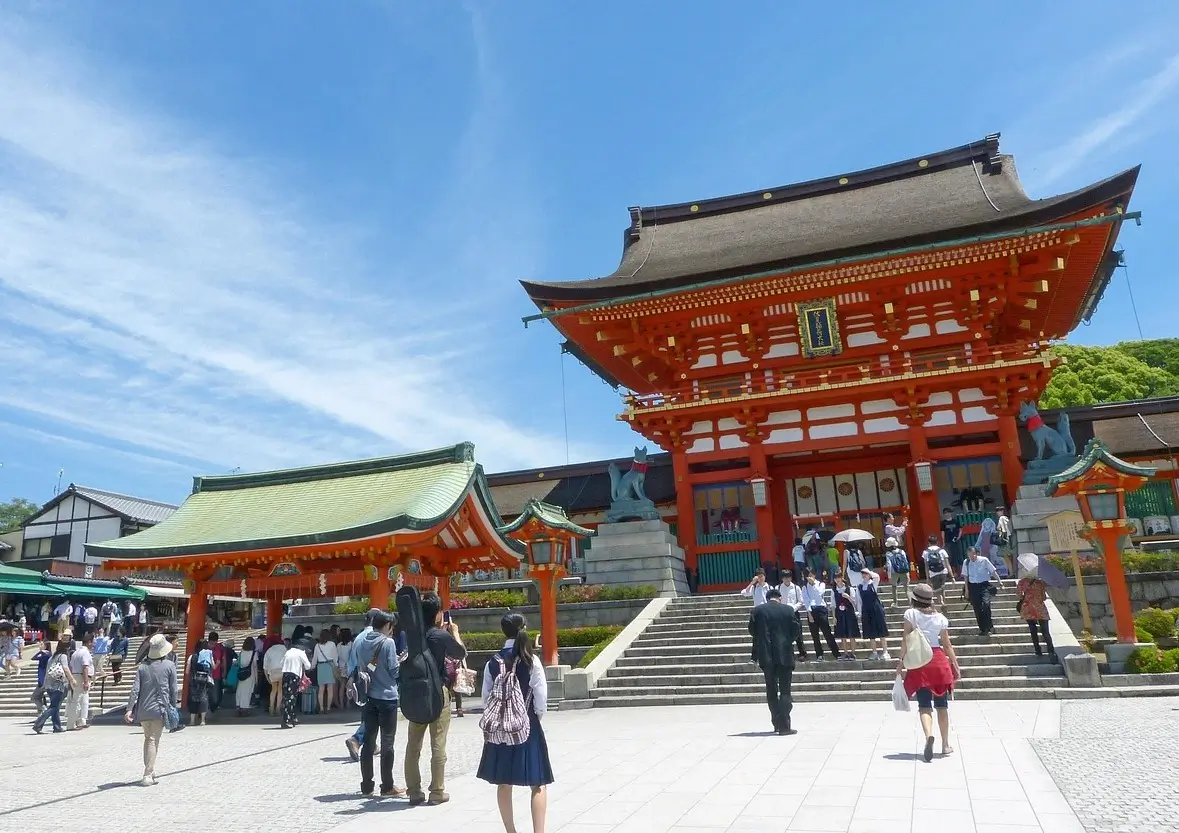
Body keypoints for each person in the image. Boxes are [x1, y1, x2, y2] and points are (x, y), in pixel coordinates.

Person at [477, 612, 553, 833]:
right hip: (527, 723)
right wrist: (535, 716)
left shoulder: (493, 661)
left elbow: (486, 696)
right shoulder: (531, 659)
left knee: (503, 782)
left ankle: (511, 831)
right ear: (524, 628)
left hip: (501, 727)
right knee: (538, 783)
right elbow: (541, 695)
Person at [404, 592, 467, 806]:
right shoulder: (440, 636)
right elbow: (460, 653)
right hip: (438, 692)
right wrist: (455, 632)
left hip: (416, 692)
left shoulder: (412, 636)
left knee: (413, 745)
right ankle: (437, 791)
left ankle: (413, 791)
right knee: (438, 743)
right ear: (438, 614)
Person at [897, 583, 961, 762]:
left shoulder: (910, 614)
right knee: (942, 705)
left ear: (914, 599)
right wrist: (955, 663)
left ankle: (928, 737)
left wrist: (900, 662)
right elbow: (947, 644)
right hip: (939, 660)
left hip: (920, 661)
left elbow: (905, 640)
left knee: (924, 705)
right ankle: (946, 744)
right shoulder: (940, 617)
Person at [354, 610, 405, 796]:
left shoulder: (361, 641)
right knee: (387, 743)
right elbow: (394, 672)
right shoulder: (388, 642)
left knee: (368, 742)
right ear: (387, 626)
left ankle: (367, 785)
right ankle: (387, 786)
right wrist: (401, 662)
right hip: (387, 698)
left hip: (368, 697)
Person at [125, 634, 179, 786]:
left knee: (148, 739)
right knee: (153, 740)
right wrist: (173, 706)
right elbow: (173, 690)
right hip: (159, 708)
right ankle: (147, 774)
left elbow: (135, 690)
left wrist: (129, 709)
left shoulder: (142, 667)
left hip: (143, 709)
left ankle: (150, 768)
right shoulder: (169, 666)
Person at [748, 588, 800, 736]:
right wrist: (787, 641)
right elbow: (796, 631)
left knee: (771, 689)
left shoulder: (757, 611)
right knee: (785, 690)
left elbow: (752, 631)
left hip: (766, 655)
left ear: (767, 598)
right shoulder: (788, 610)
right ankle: (785, 725)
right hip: (784, 654)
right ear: (780, 597)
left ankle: (776, 722)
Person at [1016, 555, 1056, 658]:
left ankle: (1038, 651)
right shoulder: (1040, 583)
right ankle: (1051, 651)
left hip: (1028, 609)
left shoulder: (1022, 582)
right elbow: (1043, 597)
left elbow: (1019, 595)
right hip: (1040, 608)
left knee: (1033, 630)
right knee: (1045, 631)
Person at [32, 640, 74, 734]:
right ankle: (38, 725)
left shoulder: (52, 657)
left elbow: (47, 671)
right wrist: (72, 680)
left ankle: (57, 726)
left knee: (55, 706)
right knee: (54, 707)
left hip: (49, 685)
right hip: (58, 685)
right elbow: (66, 669)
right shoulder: (62, 656)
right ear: (66, 648)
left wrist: (45, 685)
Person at [960, 546, 1004, 636]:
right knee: (977, 608)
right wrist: (967, 590)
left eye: (973, 555)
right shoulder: (966, 562)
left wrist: (1000, 582)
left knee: (986, 604)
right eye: (969, 556)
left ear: (977, 553)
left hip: (984, 585)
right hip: (973, 587)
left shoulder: (984, 560)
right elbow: (966, 576)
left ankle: (989, 626)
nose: (971, 557)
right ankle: (983, 629)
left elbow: (993, 571)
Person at [800, 571, 840, 659]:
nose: (810, 577)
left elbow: (819, 594)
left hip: (821, 609)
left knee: (827, 633)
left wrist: (813, 584)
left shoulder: (821, 584)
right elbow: (806, 600)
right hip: (811, 610)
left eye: (811, 575)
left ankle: (836, 653)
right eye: (808, 576)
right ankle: (819, 654)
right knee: (815, 635)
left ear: (814, 575)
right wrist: (809, 613)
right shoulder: (804, 587)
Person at [856, 567, 890, 660]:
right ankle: (874, 652)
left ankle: (885, 651)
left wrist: (869, 572)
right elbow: (859, 601)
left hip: (876, 609)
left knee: (881, 631)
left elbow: (877, 577)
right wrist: (860, 612)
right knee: (871, 633)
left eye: (866, 574)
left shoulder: (873, 583)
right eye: (863, 574)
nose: (864, 575)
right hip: (866, 610)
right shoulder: (859, 586)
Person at [280, 637, 312, 730]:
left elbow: (281, 663)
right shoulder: (301, 653)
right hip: (294, 676)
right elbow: (308, 665)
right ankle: (286, 720)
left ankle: (293, 717)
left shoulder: (288, 652)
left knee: (287, 697)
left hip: (285, 675)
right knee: (292, 698)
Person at [776, 572, 808, 661]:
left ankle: (802, 653)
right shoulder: (778, 588)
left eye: (788, 577)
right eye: (785, 577)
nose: (787, 579)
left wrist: (793, 608)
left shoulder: (796, 587)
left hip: (794, 613)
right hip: (782, 614)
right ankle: (788, 654)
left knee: (798, 634)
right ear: (782, 578)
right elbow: (776, 600)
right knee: (784, 635)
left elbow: (801, 601)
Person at [66, 632, 94, 731]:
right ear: (89, 642)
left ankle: (82, 720)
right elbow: (85, 667)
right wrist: (86, 681)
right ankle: (71, 724)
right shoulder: (85, 653)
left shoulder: (75, 652)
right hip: (81, 677)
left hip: (75, 676)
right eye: (92, 642)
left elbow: (70, 667)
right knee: (77, 701)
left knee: (83, 700)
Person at [831, 573, 860, 661]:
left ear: (842, 578)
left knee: (851, 634)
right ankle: (845, 653)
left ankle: (853, 653)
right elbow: (833, 605)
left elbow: (855, 602)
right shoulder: (833, 590)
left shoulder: (849, 589)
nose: (837, 579)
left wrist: (848, 597)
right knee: (842, 635)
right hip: (839, 613)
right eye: (835, 578)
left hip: (849, 613)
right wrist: (834, 617)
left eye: (838, 577)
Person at [187, 639, 213, 726]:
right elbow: (212, 666)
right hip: (204, 681)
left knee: (193, 699)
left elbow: (187, 670)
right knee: (203, 698)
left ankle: (192, 721)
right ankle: (202, 720)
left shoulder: (192, 656)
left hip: (194, 680)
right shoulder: (208, 655)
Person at [312, 629, 338, 714]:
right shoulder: (332, 644)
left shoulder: (317, 645)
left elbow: (315, 658)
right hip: (330, 665)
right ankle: (329, 708)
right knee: (330, 688)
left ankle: (322, 708)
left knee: (321, 689)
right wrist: (336, 666)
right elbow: (335, 657)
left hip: (321, 666)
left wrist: (312, 666)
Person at [920, 536, 950, 607]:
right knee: (942, 588)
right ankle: (944, 602)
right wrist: (951, 575)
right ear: (937, 542)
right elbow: (947, 564)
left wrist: (927, 578)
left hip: (933, 573)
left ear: (929, 543)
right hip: (943, 572)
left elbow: (926, 566)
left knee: (936, 590)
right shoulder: (942, 551)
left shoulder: (926, 552)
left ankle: (941, 602)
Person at [883, 537, 910, 607]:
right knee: (906, 588)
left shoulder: (888, 553)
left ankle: (895, 603)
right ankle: (911, 603)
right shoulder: (902, 551)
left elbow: (889, 565)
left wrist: (889, 576)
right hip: (904, 571)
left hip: (894, 572)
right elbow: (906, 562)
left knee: (894, 587)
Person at [263, 637, 287, 715]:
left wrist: (267, 677)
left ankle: (271, 708)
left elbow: (265, 666)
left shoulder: (269, 650)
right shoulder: (284, 648)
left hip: (273, 671)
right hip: (282, 670)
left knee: (273, 690)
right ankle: (278, 708)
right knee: (280, 690)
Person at [234, 636, 258, 716]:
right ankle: (245, 708)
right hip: (250, 674)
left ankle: (238, 707)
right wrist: (256, 678)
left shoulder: (242, 652)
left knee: (240, 690)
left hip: (241, 673)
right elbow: (254, 666)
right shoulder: (254, 653)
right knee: (247, 692)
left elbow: (238, 662)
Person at [30, 638, 53, 710]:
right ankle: (42, 713)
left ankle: (45, 710)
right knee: (40, 697)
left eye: (41, 644)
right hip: (43, 679)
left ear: (45, 646)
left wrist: (41, 652)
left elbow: (34, 658)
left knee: (34, 697)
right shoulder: (48, 654)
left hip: (43, 680)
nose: (40, 646)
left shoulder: (46, 655)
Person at [941, 508, 964, 573]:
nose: (947, 514)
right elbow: (942, 532)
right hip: (948, 541)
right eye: (945, 513)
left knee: (959, 555)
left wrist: (958, 537)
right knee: (950, 556)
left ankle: (962, 572)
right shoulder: (943, 523)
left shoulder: (956, 521)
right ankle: (954, 572)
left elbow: (960, 530)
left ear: (950, 513)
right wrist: (943, 542)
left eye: (948, 512)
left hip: (957, 541)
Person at [995, 506, 1014, 576]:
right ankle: (1011, 572)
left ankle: (1011, 573)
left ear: (1002, 511)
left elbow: (1001, 528)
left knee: (1006, 557)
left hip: (1004, 540)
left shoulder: (1002, 518)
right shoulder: (1006, 518)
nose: (997, 512)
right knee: (1008, 558)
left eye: (998, 511)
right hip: (1008, 539)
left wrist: (997, 530)